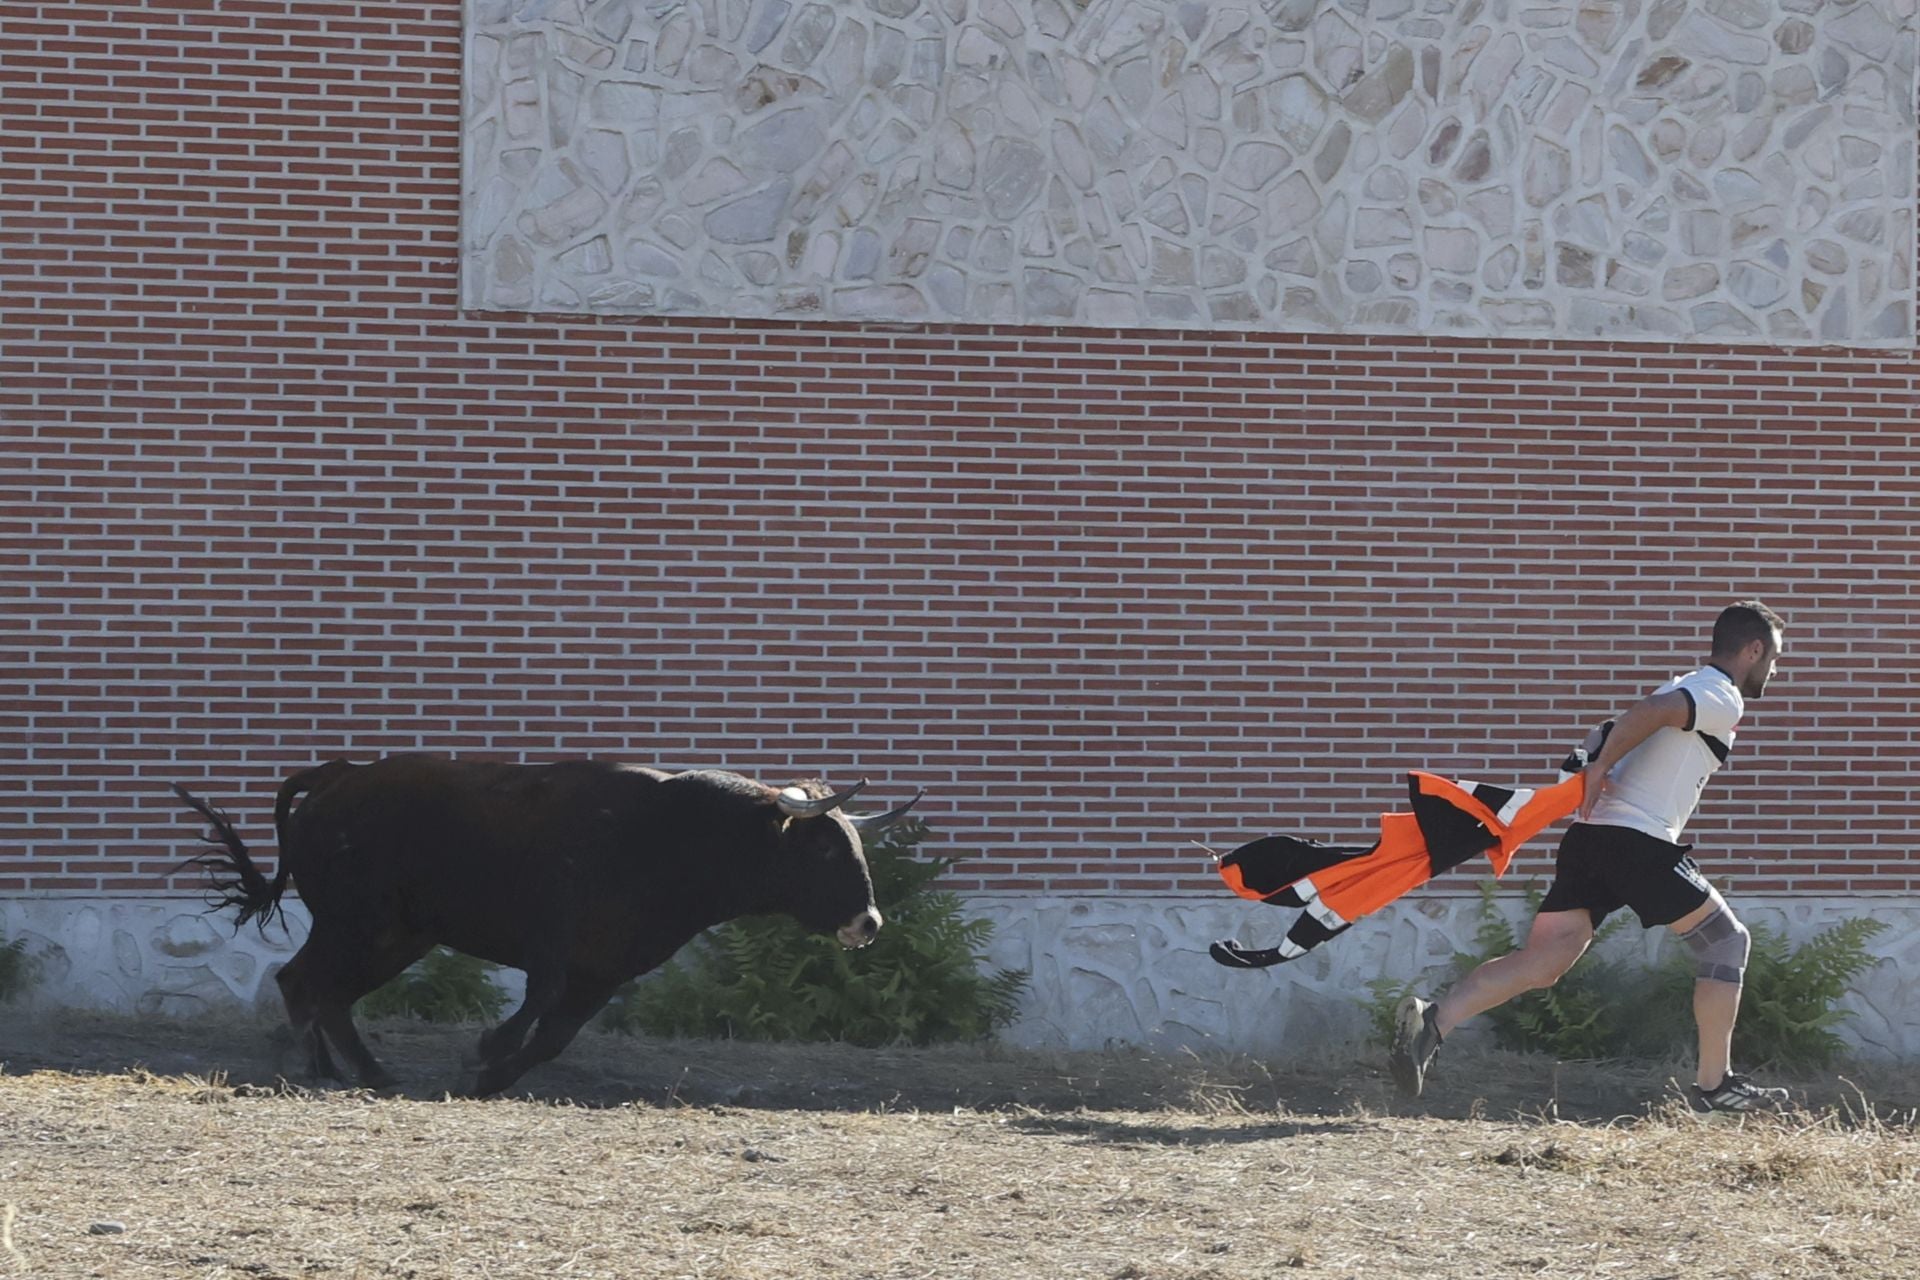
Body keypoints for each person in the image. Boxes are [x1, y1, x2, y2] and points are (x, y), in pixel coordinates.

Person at [1388, 600, 1789, 1116]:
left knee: (1545, 961)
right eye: (1773, 658)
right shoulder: (1719, 693)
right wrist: (1599, 768)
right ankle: (1715, 1086)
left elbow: (1607, 730)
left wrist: (1594, 762)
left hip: (1591, 839)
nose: (1773, 671)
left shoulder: (1680, 683)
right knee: (1725, 942)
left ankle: (1431, 1023)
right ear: (1753, 649)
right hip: (1636, 841)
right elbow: (1645, 718)